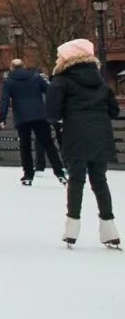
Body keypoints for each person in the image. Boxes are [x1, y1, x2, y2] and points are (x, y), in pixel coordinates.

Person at [47, 38, 119, 249]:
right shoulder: (101, 82)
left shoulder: (61, 81)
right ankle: (109, 230)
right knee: (100, 181)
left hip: (75, 135)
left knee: (76, 180)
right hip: (100, 135)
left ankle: (72, 229)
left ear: (67, 58)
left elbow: (52, 113)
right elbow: (113, 110)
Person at [0, 56, 65, 187]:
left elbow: (4, 101)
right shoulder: (36, 78)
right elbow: (50, 91)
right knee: (48, 144)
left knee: (25, 146)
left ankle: (28, 175)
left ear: (11, 68)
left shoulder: (9, 82)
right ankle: (60, 172)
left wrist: (2, 118)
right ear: (23, 66)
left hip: (22, 117)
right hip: (40, 115)